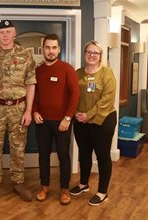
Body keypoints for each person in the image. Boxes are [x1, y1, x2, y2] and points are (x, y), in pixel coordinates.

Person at [0, 20, 36, 202]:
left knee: (18, 147)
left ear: (14, 33)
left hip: (19, 108)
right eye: (2, 32)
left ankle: (18, 182)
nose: (5, 35)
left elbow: (31, 83)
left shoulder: (25, 54)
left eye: (8, 31)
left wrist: (28, 111)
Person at [32, 33, 80, 205]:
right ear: (43, 49)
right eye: (47, 47)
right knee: (43, 155)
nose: (51, 51)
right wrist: (34, 111)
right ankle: (44, 186)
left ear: (59, 49)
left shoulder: (67, 69)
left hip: (62, 122)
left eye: (54, 48)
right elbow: (32, 94)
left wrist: (67, 118)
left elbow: (75, 94)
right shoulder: (37, 71)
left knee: (63, 156)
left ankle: (64, 189)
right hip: (42, 121)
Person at [70, 40, 117, 206]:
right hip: (80, 120)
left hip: (102, 120)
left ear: (100, 56)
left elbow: (107, 100)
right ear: (84, 54)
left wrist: (88, 115)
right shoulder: (77, 73)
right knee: (84, 153)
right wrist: (75, 113)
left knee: (103, 155)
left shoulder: (107, 73)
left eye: (95, 53)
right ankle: (83, 184)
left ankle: (102, 192)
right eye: (89, 52)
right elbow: (72, 95)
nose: (92, 55)